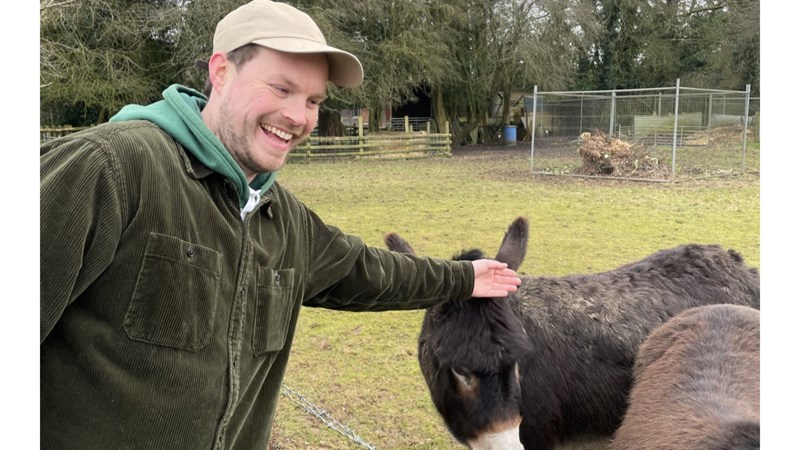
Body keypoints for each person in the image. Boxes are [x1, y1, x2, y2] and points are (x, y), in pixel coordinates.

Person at [39, 1, 521, 448]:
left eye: (313, 101)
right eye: (281, 88)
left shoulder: (283, 219)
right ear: (221, 71)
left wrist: (464, 279)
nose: (297, 117)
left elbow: (370, 272)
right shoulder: (109, 168)